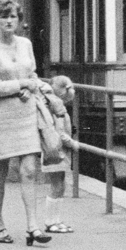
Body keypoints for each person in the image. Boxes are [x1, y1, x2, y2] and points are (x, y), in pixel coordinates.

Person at [0, 0, 54, 246]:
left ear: (19, 20)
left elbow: (30, 74)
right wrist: (21, 85)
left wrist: (38, 85)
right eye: (4, 16)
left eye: (13, 16)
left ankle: (33, 227)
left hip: (26, 113)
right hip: (1, 116)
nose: (9, 21)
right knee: (0, 169)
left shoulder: (25, 44)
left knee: (30, 169)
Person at [39, 74, 77, 235]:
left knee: (60, 184)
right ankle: (50, 221)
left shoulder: (53, 104)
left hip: (57, 150)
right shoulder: (57, 109)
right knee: (57, 185)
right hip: (55, 151)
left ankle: (56, 220)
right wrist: (73, 143)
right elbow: (59, 132)